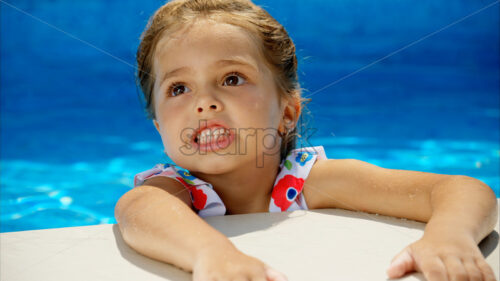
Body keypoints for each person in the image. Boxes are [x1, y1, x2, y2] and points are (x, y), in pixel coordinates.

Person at [115, 0, 498, 280]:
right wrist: (213, 255)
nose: (205, 103)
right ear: (159, 127)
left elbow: (461, 189)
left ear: (287, 112)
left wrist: (449, 237)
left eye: (232, 78)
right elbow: (137, 210)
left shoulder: (306, 182)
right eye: (178, 88)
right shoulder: (170, 191)